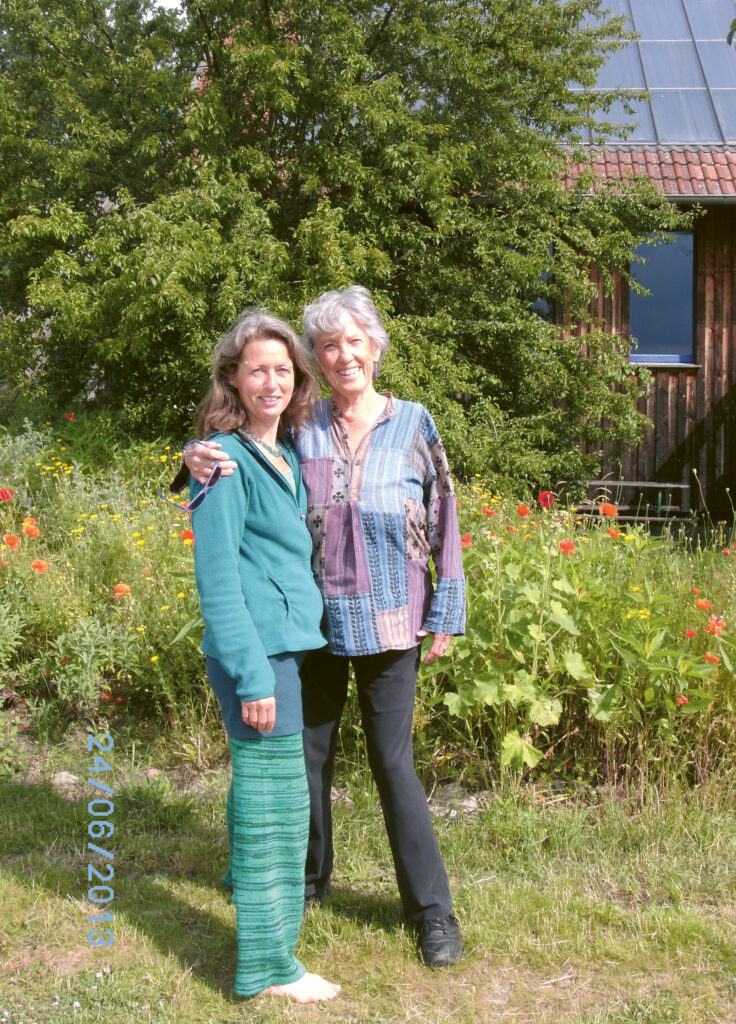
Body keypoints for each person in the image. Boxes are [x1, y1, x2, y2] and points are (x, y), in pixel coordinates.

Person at [184, 287, 466, 968]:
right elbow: (237, 446)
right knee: (308, 761)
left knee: (392, 762)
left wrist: (447, 609)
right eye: (329, 345)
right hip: (314, 626)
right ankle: (307, 883)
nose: (344, 356)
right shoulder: (301, 425)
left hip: (393, 623)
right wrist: (192, 456)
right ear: (318, 356)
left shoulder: (415, 422)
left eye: (355, 342)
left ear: (375, 347)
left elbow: (445, 514)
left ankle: (432, 914)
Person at [187, 308, 340, 1004]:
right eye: (258, 370)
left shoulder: (281, 450)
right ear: (234, 379)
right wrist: (252, 675)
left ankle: (273, 953)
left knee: (276, 804)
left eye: (283, 368)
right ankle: (269, 967)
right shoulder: (221, 459)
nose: (272, 381)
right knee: (271, 810)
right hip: (258, 656)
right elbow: (217, 582)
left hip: (287, 648)